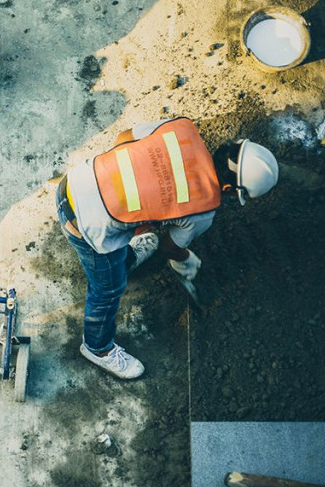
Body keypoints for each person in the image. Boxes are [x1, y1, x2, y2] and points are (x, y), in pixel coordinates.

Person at [56, 117, 279, 379]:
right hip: (83, 224)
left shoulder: (182, 128)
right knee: (108, 288)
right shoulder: (203, 210)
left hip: (76, 180)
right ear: (230, 188)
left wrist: (142, 198)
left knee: (132, 226)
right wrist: (185, 259)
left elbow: (124, 139)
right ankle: (97, 347)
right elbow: (168, 249)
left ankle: (126, 256)